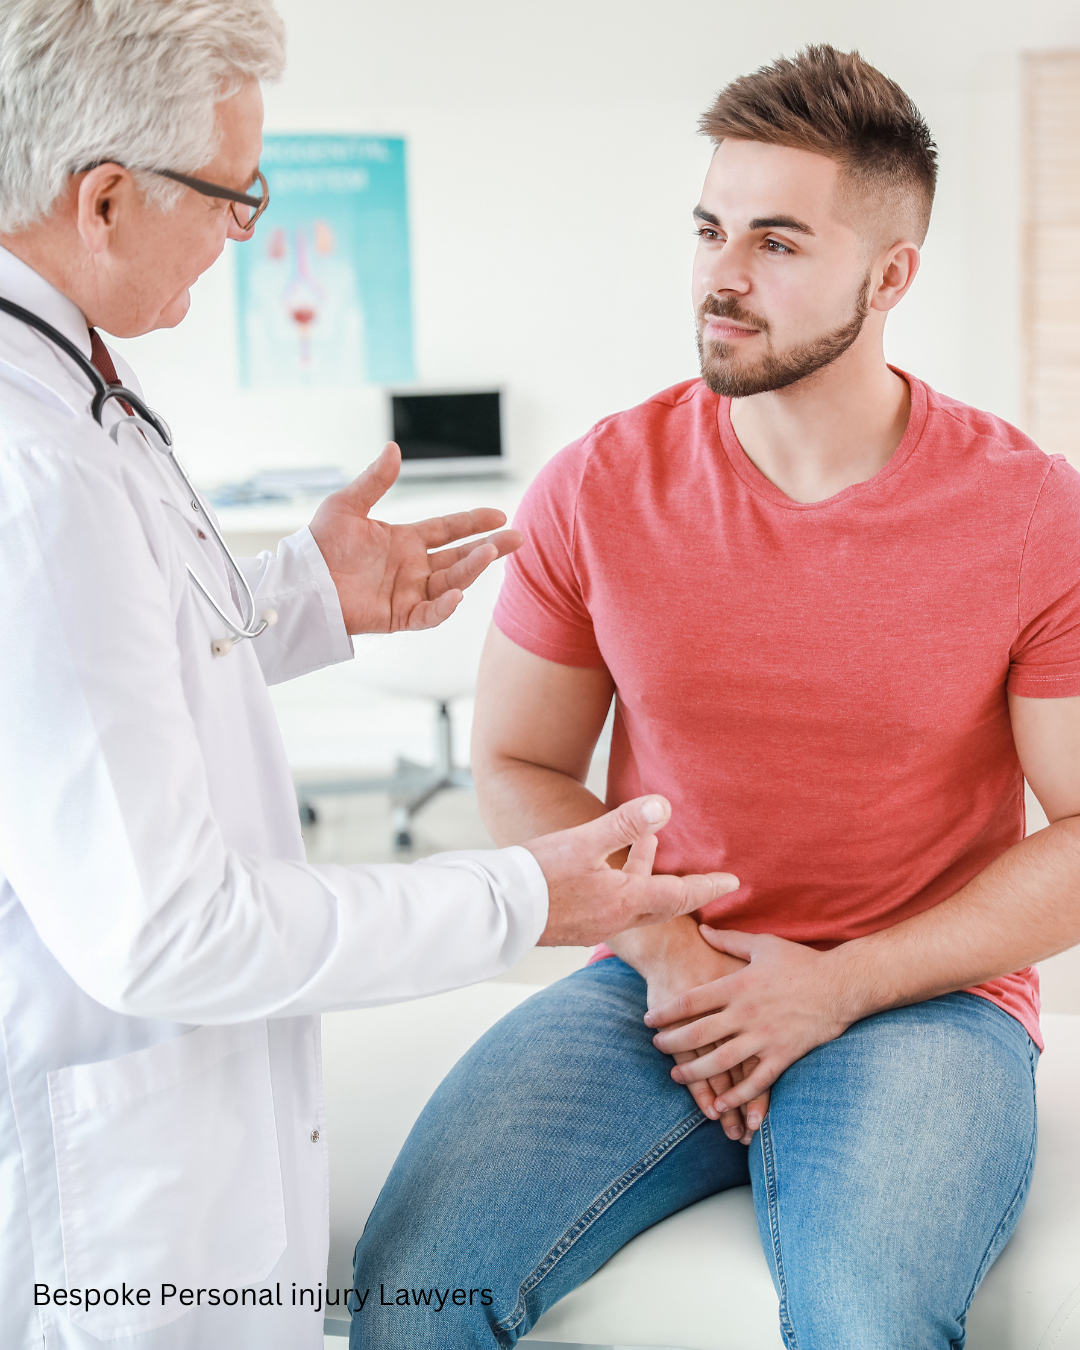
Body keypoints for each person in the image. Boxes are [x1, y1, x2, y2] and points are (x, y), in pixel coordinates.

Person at [0, 4, 738, 1348]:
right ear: (103, 200)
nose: (246, 234)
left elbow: (90, 673)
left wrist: (295, 600)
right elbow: (167, 930)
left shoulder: (77, 387)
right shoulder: (34, 462)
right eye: (236, 197)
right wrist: (523, 893)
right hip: (107, 1201)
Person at [350, 45, 1080, 1349]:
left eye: (780, 241)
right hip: (660, 980)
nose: (722, 275)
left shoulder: (1031, 513)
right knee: (410, 1295)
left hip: (919, 997)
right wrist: (674, 958)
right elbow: (521, 760)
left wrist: (840, 985)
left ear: (892, 274)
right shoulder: (599, 484)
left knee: (869, 1322)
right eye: (709, 229)